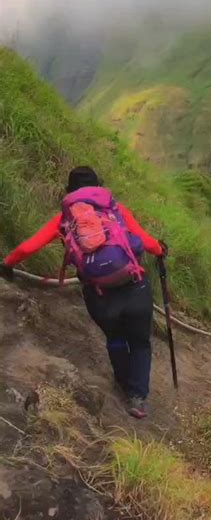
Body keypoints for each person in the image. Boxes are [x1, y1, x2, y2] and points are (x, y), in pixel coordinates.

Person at [0, 166, 165, 419]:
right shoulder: (116, 210)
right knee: (141, 343)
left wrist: (8, 264)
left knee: (115, 337)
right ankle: (138, 397)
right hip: (134, 287)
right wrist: (161, 250)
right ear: (99, 186)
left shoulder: (66, 219)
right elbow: (147, 242)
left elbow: (27, 247)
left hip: (99, 294)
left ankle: (122, 383)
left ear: (69, 192)